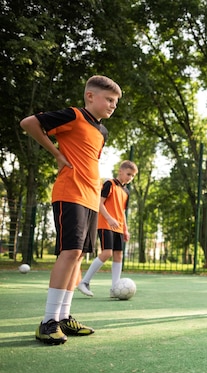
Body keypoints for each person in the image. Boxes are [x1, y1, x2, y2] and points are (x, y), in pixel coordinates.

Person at [20, 75, 123, 344]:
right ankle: (48, 320)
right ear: (90, 96)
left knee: (78, 257)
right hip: (70, 192)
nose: (113, 105)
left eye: (116, 102)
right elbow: (29, 123)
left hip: (90, 197)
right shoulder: (73, 115)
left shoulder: (102, 132)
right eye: (109, 100)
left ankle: (64, 318)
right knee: (70, 252)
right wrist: (56, 154)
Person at [77, 160, 138, 298]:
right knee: (107, 253)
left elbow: (122, 212)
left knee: (118, 255)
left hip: (118, 227)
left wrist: (125, 229)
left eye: (132, 176)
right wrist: (109, 218)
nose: (130, 178)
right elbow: (99, 202)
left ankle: (115, 289)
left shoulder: (126, 191)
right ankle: (84, 282)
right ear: (120, 171)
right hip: (105, 224)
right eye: (128, 174)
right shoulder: (109, 184)